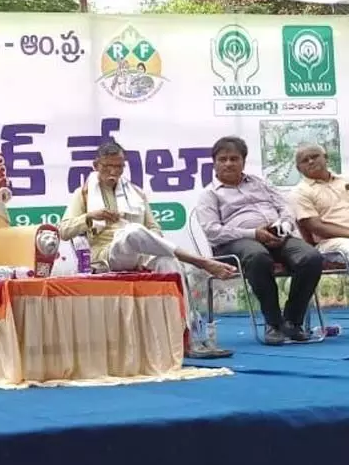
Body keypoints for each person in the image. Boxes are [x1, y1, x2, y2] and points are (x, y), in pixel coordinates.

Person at [58, 140, 236, 357]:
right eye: (107, 167)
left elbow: (154, 229)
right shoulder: (84, 194)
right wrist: (89, 217)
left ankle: (187, 339)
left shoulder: (136, 193)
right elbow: (63, 230)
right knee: (131, 231)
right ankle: (201, 262)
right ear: (96, 166)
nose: (113, 172)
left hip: (142, 255)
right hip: (107, 256)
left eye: (119, 166)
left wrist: (152, 241)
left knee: (168, 262)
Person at [195, 136, 323, 345]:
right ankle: (273, 323)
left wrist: (283, 227)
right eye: (223, 159)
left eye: (234, 158)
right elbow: (213, 231)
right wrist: (254, 233)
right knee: (258, 256)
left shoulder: (260, 183)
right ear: (214, 162)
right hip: (236, 244)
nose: (228, 163)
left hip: (277, 236)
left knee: (311, 257)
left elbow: (285, 207)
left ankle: (292, 322)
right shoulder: (209, 194)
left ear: (243, 161)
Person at [289, 142, 349, 256]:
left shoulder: (346, 180)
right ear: (298, 168)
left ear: (325, 158)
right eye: (305, 160)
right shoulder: (300, 192)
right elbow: (316, 227)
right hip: (331, 242)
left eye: (315, 156)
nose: (311, 161)